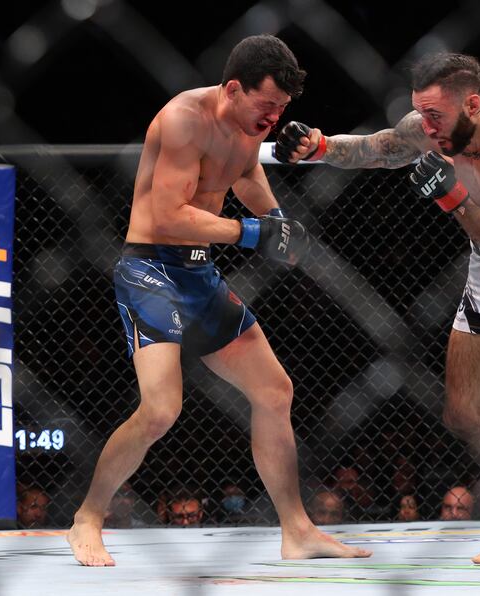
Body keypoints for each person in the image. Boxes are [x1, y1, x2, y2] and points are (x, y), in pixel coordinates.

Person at [67, 34, 371, 566]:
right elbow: (166, 215)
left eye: (282, 109)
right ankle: (87, 518)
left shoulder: (248, 124)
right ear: (233, 88)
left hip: (199, 272)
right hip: (151, 269)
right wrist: (253, 234)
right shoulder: (185, 119)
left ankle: (296, 530)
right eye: (267, 104)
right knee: (161, 409)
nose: (274, 119)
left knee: (275, 391)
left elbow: (247, 171)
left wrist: (276, 221)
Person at [274, 52, 480, 563]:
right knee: (464, 413)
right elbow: (378, 148)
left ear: (475, 104)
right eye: (421, 113)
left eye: (436, 116)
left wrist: (452, 196)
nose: (426, 127)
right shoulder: (430, 126)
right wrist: (318, 146)